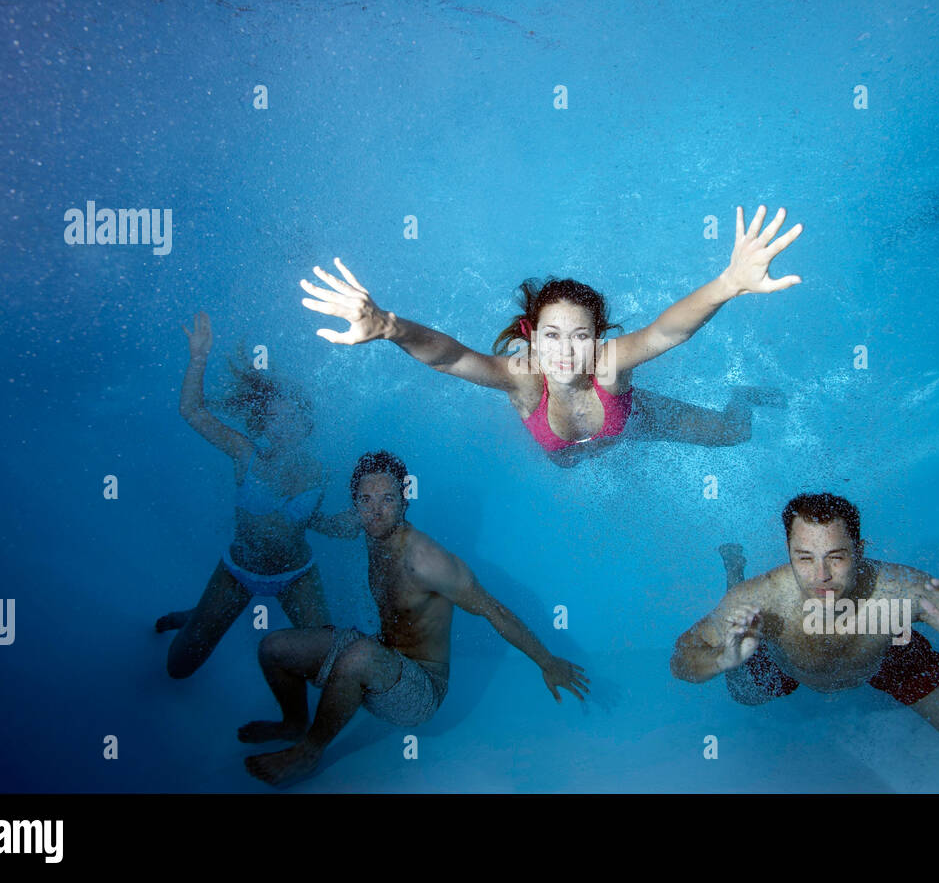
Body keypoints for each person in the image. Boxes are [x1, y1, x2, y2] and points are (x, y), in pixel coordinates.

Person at [299, 204, 803, 465]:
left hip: (635, 423)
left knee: (736, 433)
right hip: (573, 454)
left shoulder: (608, 365)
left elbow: (666, 332)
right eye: (553, 336)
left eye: (580, 335)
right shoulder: (523, 381)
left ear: (599, 337)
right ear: (533, 337)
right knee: (576, 468)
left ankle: (741, 399)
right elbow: (450, 358)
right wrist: (389, 326)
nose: (566, 352)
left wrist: (728, 284)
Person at [240, 451, 589, 785]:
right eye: (365, 500)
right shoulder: (365, 522)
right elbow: (329, 525)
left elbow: (492, 610)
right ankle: (293, 722)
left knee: (359, 656)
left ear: (405, 500)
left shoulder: (426, 559)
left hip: (420, 690)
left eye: (387, 500)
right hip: (379, 657)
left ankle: (309, 751)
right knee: (273, 647)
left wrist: (548, 662)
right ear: (356, 503)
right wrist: (287, 508)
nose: (375, 512)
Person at [670, 493, 939, 754]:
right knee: (743, 694)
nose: (821, 576)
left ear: (859, 551)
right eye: (804, 558)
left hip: (883, 655)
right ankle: (734, 572)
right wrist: (721, 661)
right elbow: (682, 658)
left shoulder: (899, 589)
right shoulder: (760, 599)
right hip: (787, 659)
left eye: (836, 557)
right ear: (787, 553)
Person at [155, 311, 360, 678]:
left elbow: (307, 522)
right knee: (178, 668)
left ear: (306, 423)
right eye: (274, 419)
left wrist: (345, 524)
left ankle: (204, 611)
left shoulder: (320, 472)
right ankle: (199, 613)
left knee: (322, 667)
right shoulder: (244, 453)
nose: (283, 427)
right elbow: (192, 411)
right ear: (262, 424)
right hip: (239, 571)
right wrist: (199, 356)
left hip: (297, 574)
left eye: (292, 418)